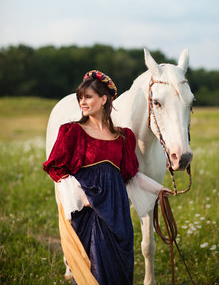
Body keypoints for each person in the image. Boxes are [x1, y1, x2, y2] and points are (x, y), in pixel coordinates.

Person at [43, 70, 169, 285]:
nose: (82, 102)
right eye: (80, 97)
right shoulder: (72, 132)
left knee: (120, 267)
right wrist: (85, 200)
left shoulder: (123, 137)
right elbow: (58, 171)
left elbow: (131, 175)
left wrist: (159, 189)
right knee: (96, 270)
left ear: (104, 99)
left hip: (118, 214)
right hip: (90, 212)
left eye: (88, 97)